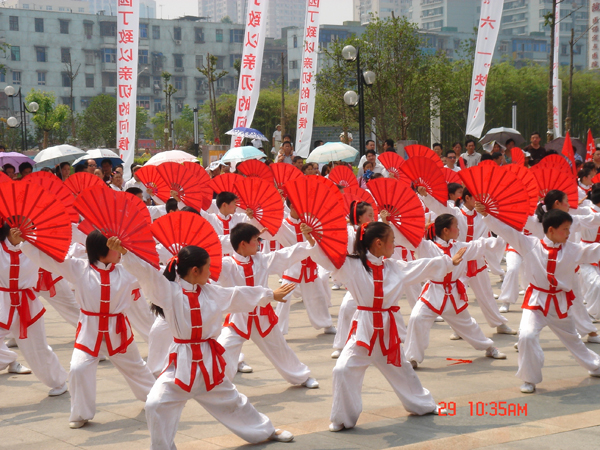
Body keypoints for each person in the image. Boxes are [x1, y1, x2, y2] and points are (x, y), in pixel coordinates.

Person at [114, 239, 297, 446]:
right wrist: (126, 254)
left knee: (233, 401)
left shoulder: (211, 292)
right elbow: (148, 274)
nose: (210, 272)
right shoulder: (170, 292)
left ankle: (266, 430)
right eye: (207, 267)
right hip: (180, 366)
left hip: (208, 364)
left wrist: (270, 294)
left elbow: (237, 294)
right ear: (195, 270)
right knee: (155, 404)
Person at [308, 221, 460, 431]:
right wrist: (312, 240)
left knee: (402, 369)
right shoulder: (352, 266)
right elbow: (328, 259)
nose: (395, 245)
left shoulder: (394, 267)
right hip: (364, 331)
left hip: (388, 331)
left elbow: (420, 266)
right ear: (379, 243)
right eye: (392, 241)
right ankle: (342, 418)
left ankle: (424, 405)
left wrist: (448, 262)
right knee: (343, 369)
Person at [17, 229, 156, 428]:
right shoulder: (79, 268)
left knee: (136, 367)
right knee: (78, 368)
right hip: (89, 331)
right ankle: (81, 413)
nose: (119, 250)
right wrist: (26, 243)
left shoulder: (127, 270)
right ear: (102, 250)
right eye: (115, 247)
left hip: (118, 331)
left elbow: (151, 272)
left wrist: (129, 254)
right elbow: (50, 259)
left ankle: (155, 399)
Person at [479, 206, 600, 393]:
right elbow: (506, 231)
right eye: (565, 229)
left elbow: (595, 250)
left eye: (569, 229)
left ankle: (595, 366)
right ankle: (529, 378)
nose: (569, 233)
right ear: (551, 230)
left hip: (559, 303)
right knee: (526, 336)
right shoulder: (530, 244)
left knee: (573, 340)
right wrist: (487, 215)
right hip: (536, 301)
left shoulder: (573, 249)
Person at [217, 223, 319, 388]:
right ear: (243, 244)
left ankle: (301, 377)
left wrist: (309, 242)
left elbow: (285, 254)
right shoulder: (227, 265)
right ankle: (219, 386)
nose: (259, 243)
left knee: (280, 349)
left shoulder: (261, 260)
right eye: (255, 240)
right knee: (223, 348)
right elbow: (209, 272)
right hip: (238, 318)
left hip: (263, 317)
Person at [402, 214, 508, 368]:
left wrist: (503, 231)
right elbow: (406, 238)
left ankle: (489, 347)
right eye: (456, 226)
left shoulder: (460, 247)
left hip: (453, 294)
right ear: (446, 230)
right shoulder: (426, 246)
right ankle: (412, 357)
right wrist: (418, 229)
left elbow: (483, 244)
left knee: (468, 325)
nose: (458, 229)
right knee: (416, 318)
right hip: (432, 293)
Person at [417, 187, 515, 336]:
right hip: (457, 262)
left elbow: (498, 222)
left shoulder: (484, 216)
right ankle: (458, 329)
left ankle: (499, 323)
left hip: (476, 259)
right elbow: (439, 207)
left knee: (486, 295)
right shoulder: (455, 213)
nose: (480, 201)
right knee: (455, 296)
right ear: (467, 198)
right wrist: (426, 196)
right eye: (476, 197)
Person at [0, 224, 68, 396]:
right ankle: (8, 358)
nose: (27, 226)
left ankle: (58, 381)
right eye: (23, 222)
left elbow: (60, 260)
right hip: (2, 302)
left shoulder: (35, 247)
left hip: (27, 305)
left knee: (37, 347)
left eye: (29, 224)